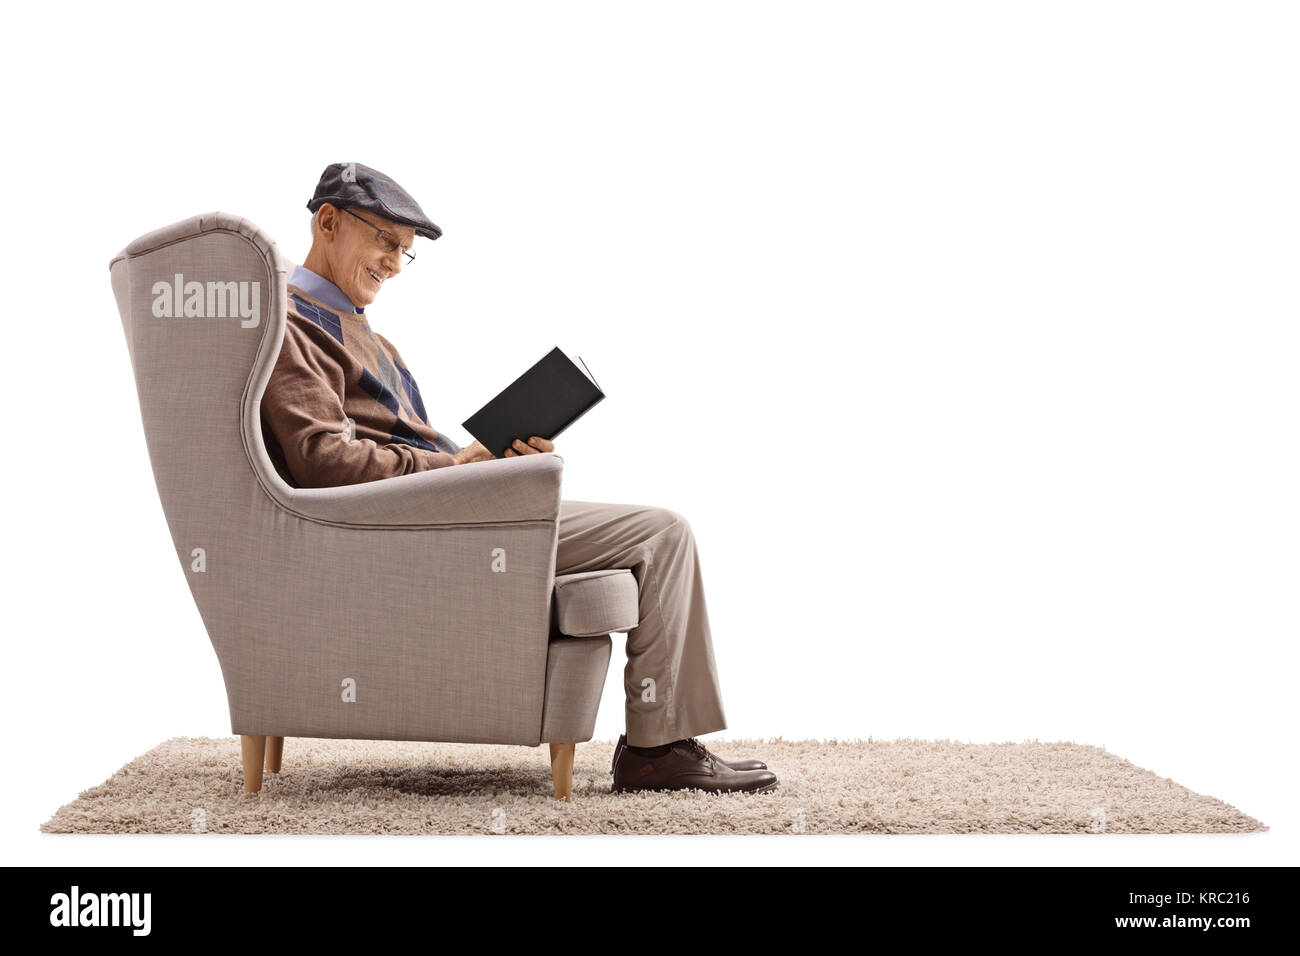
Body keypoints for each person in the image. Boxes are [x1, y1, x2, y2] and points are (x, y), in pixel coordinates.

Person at [260, 162, 777, 794]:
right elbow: (322, 460)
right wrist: (456, 469)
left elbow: (401, 448)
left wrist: (489, 465)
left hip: (443, 507)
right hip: (412, 527)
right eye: (385, 241)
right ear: (328, 222)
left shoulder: (368, 334)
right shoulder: (291, 324)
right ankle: (656, 752)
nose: (394, 264)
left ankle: (660, 745)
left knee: (640, 524)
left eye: (405, 252)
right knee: (661, 533)